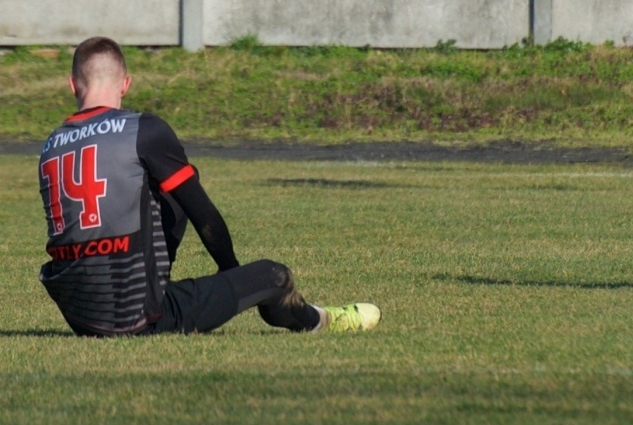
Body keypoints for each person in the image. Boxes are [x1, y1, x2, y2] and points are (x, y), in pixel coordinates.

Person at [37, 36, 380, 336]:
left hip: (80, 315)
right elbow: (205, 217)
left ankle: (154, 290)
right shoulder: (144, 129)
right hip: (134, 317)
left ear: (72, 84)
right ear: (125, 83)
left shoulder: (51, 144)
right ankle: (319, 320)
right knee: (273, 276)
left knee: (168, 195)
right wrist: (237, 279)